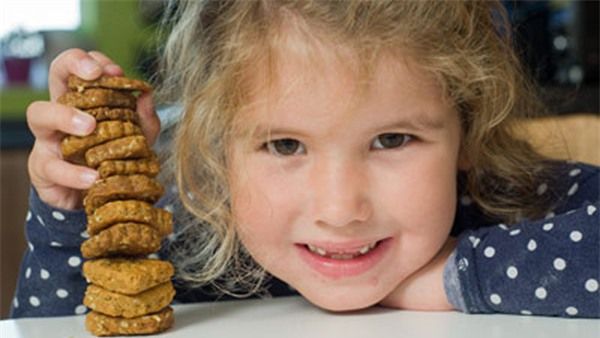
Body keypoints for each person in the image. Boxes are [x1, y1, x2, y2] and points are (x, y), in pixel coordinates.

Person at [11, 0, 598, 319]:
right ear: (218, 149)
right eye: (285, 145)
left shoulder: (515, 207)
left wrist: (458, 276)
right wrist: (68, 219)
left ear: (469, 128)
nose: (341, 211)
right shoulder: (190, 254)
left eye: (392, 140)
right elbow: (54, 330)